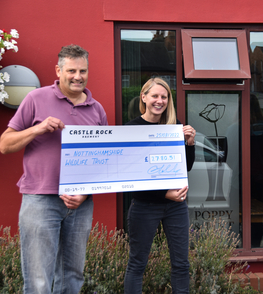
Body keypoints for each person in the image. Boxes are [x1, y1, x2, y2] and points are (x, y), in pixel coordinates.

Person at [0, 44, 108, 293]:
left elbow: (102, 161)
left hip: (80, 204)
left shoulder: (97, 109)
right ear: (58, 70)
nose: (77, 76)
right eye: (71, 70)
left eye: (83, 71)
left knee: (72, 277)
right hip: (40, 200)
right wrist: (37, 128)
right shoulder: (35, 99)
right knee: (39, 280)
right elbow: (5, 144)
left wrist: (85, 193)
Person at [124, 77, 195, 294]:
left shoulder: (175, 127)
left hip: (176, 207)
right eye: (155, 96)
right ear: (143, 97)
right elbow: (131, 175)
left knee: (181, 264)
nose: (160, 101)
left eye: (164, 97)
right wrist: (166, 193)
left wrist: (189, 144)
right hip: (144, 206)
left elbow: (186, 167)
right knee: (137, 264)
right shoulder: (132, 129)